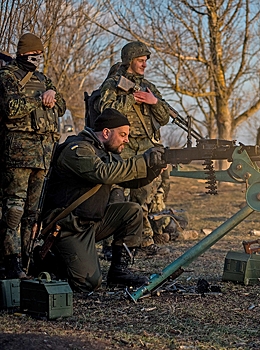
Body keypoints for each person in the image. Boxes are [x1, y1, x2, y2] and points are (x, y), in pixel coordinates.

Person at [37, 108, 167, 292]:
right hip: (69, 227)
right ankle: (51, 261)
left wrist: (153, 169)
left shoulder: (104, 151)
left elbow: (127, 178)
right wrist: (143, 161)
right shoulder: (77, 149)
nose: (126, 140)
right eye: (122, 134)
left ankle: (119, 273)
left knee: (132, 211)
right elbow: (103, 173)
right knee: (89, 283)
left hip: (93, 223)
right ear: (106, 133)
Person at [0, 33, 66, 279]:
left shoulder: (43, 78)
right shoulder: (7, 77)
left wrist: (53, 96)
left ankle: (28, 262)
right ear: (24, 54)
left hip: (42, 155)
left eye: (40, 54)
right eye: (34, 54)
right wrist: (39, 98)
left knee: (32, 213)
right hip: (17, 155)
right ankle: (11, 262)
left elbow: (61, 107)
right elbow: (11, 108)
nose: (38, 59)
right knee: (13, 210)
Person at [99, 41, 172, 253]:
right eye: (141, 61)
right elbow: (105, 110)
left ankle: (143, 240)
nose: (144, 65)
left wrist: (153, 101)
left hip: (146, 147)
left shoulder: (149, 86)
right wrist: (131, 99)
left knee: (143, 195)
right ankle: (111, 244)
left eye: (145, 61)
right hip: (123, 146)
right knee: (117, 195)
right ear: (130, 60)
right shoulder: (113, 83)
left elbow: (165, 117)